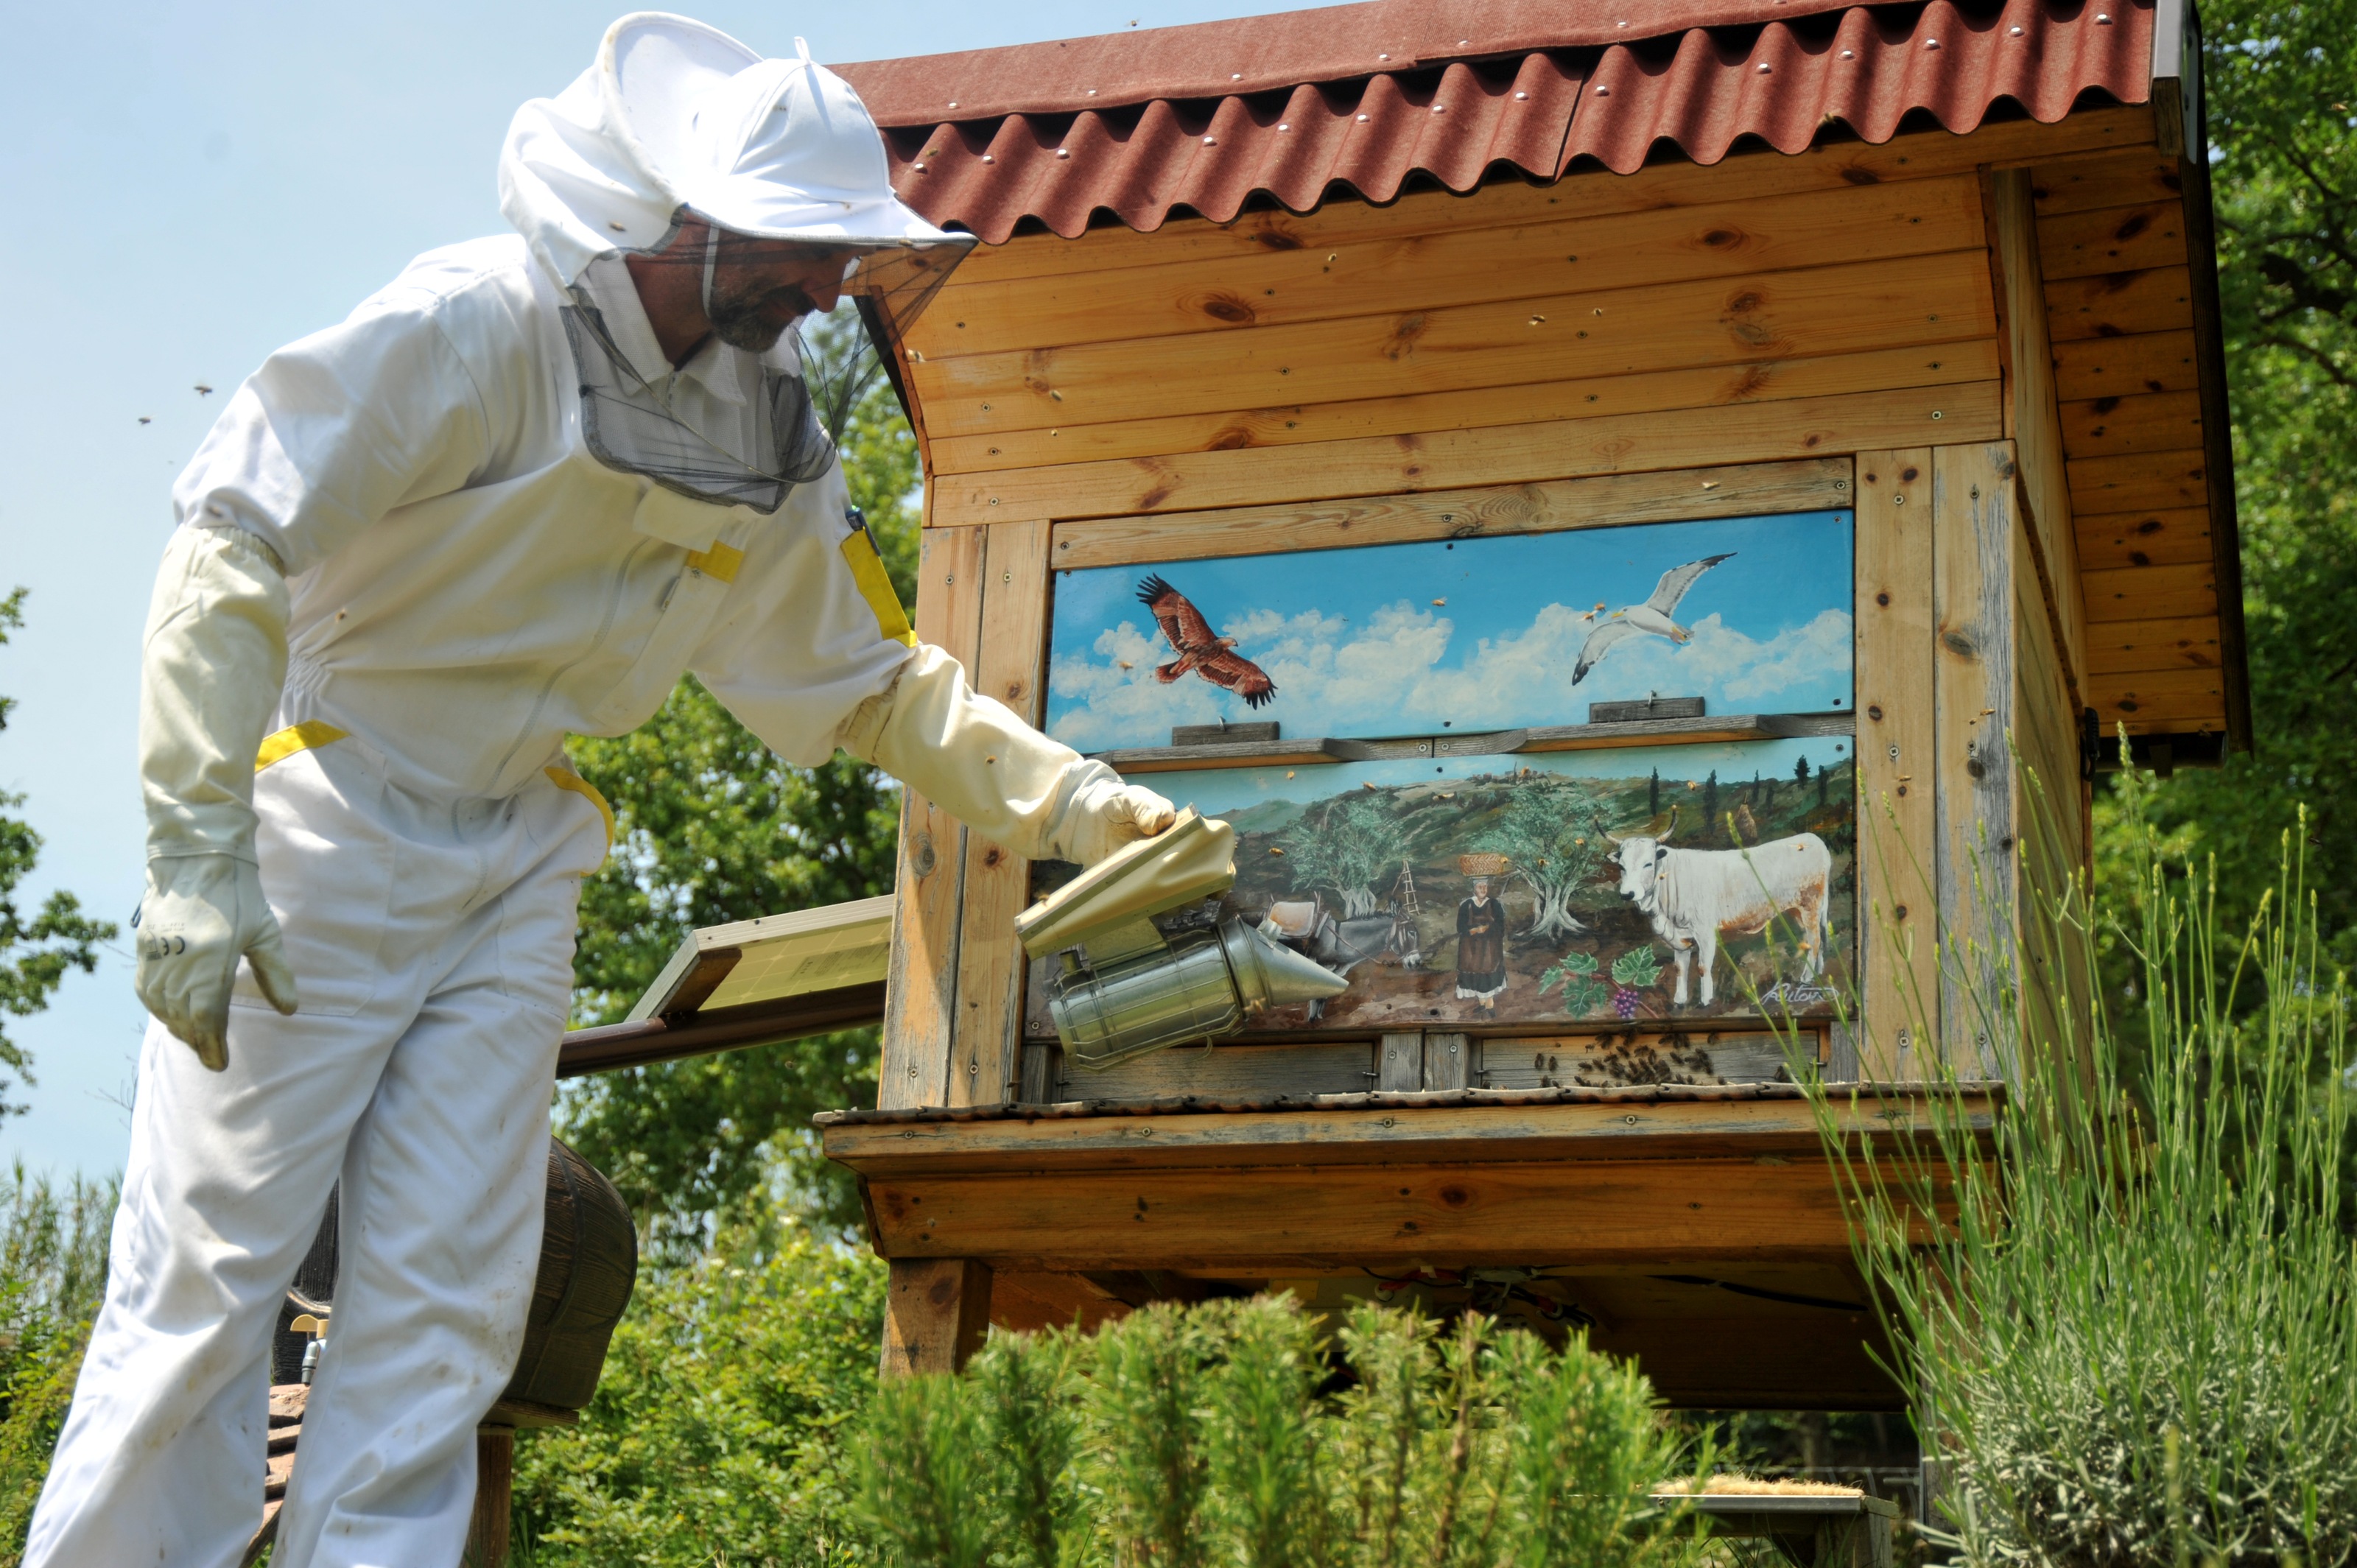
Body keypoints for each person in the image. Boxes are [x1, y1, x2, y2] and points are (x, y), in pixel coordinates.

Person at [24, 16, 1174, 1568]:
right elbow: (233, 526)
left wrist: (1081, 800)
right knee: (208, 1285)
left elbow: (869, 680)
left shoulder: (770, 439)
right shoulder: (473, 324)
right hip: (326, 812)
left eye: (845, 254)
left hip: (522, 859)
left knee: (448, 1303)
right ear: (683, 217)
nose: (828, 288)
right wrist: (192, 846)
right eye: (802, 248)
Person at [1455, 876, 1509, 1016]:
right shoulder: (1466, 905)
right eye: (1480, 887)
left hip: (1490, 948)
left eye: (1485, 887)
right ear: (1474, 889)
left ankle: (1490, 1006)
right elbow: (1460, 927)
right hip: (1470, 948)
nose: (1483, 889)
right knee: (1474, 973)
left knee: (1488, 972)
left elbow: (1500, 925)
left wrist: (1486, 929)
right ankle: (1482, 1004)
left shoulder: (1494, 904)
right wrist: (1472, 931)